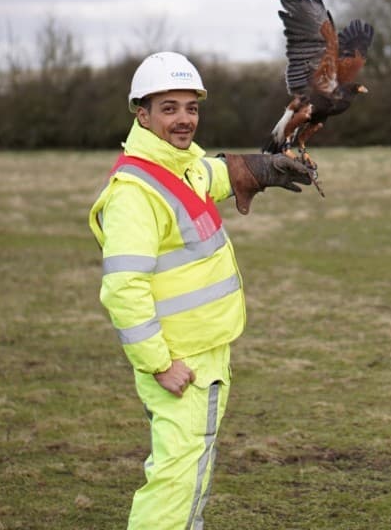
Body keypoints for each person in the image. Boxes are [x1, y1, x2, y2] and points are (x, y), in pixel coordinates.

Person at [88, 51, 311, 529]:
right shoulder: (135, 191)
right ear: (141, 114)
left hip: (204, 351)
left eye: (190, 107)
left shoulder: (181, 166)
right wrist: (160, 363)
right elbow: (123, 288)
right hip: (180, 360)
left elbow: (210, 175)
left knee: (190, 471)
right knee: (177, 479)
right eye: (168, 108)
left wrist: (261, 168)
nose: (183, 119)